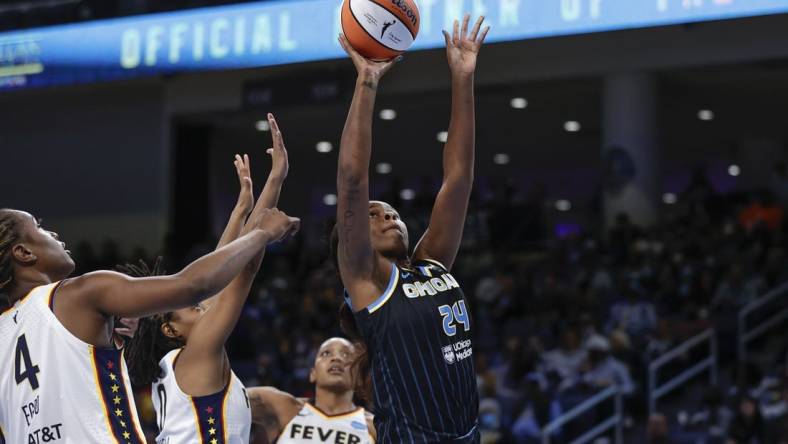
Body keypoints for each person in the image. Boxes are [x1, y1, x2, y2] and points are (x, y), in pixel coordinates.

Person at [0, 156, 298, 441]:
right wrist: (262, 234)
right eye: (39, 227)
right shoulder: (79, 294)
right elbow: (194, 284)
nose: (52, 232)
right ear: (24, 253)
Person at [333, 14, 489, 443]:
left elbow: (458, 177)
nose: (390, 216)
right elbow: (351, 179)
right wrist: (367, 81)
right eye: (374, 213)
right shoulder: (368, 280)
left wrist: (462, 78)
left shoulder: (431, 263)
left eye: (393, 213)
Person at [125, 113, 296, 443]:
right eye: (190, 306)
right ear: (170, 328)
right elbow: (242, 271)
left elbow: (220, 271)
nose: (200, 304)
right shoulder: (199, 351)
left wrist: (240, 211)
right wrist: (267, 216)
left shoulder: (181, 357)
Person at [246, 337, 376, 443]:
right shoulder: (283, 407)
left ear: (358, 377)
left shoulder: (374, 427)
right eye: (326, 353)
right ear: (313, 373)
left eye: (346, 355)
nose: (336, 358)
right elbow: (231, 396)